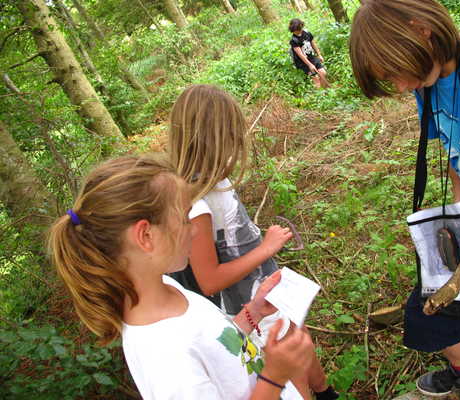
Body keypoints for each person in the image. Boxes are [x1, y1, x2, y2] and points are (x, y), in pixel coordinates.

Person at [349, 0, 460, 397]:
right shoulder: (429, 87)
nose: (401, 86)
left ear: (421, 30)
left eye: (397, 72)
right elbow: (456, 152)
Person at [48, 155, 319, 400]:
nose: (194, 231)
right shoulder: (164, 355)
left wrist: (253, 312)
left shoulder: (166, 286)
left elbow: (218, 347)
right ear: (146, 236)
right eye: (184, 219)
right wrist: (274, 375)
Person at [168, 84, 339, 400]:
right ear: (215, 142)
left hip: (264, 288)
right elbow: (208, 280)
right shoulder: (197, 205)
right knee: (290, 360)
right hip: (248, 303)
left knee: (299, 336)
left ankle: (326, 392)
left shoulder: (215, 181)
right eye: (231, 140)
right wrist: (266, 248)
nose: (236, 150)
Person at [289, 18, 330, 89]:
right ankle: (319, 95)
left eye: (299, 29)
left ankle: (324, 91)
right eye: (296, 31)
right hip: (303, 62)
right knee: (315, 78)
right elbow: (300, 55)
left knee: (323, 73)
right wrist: (310, 65)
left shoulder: (307, 33)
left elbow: (313, 44)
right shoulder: (294, 40)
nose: (298, 32)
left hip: (312, 57)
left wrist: (319, 54)